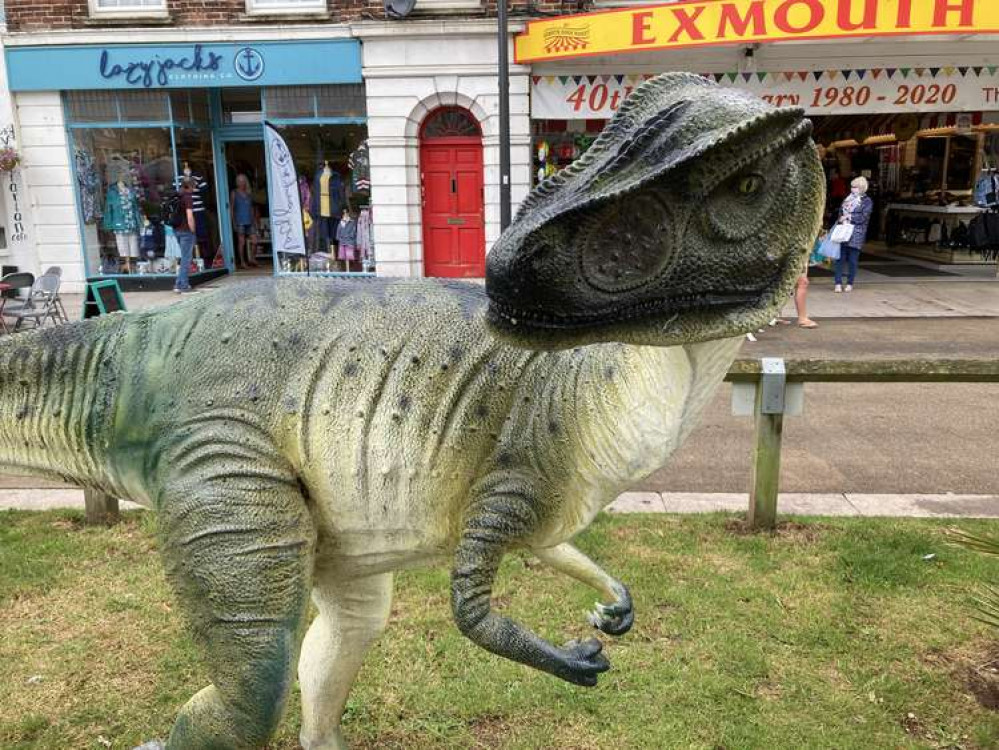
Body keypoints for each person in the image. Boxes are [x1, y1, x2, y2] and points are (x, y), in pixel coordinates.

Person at [834, 176, 874, 293]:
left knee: (852, 260)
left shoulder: (867, 201)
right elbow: (841, 211)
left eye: (855, 187)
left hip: (856, 233)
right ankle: (837, 282)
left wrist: (849, 216)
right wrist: (841, 218)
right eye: (852, 187)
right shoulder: (848, 199)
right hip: (843, 231)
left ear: (861, 188)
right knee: (840, 259)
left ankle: (850, 283)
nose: (852, 189)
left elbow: (863, 217)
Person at [174, 178, 198, 294]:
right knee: (186, 259)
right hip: (186, 231)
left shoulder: (178, 195)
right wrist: (193, 230)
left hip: (177, 230)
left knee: (184, 257)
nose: (195, 189)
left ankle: (178, 284)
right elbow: (189, 216)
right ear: (190, 186)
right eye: (194, 187)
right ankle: (183, 285)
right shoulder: (188, 197)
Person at [231, 174, 259, 269]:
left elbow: (251, 208)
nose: (241, 183)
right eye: (239, 181)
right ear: (237, 182)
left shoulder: (248, 193)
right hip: (240, 221)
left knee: (255, 241)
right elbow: (231, 208)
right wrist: (233, 222)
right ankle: (242, 262)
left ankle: (252, 258)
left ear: (245, 182)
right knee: (241, 242)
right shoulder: (234, 193)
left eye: (243, 181)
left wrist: (254, 220)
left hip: (250, 221)